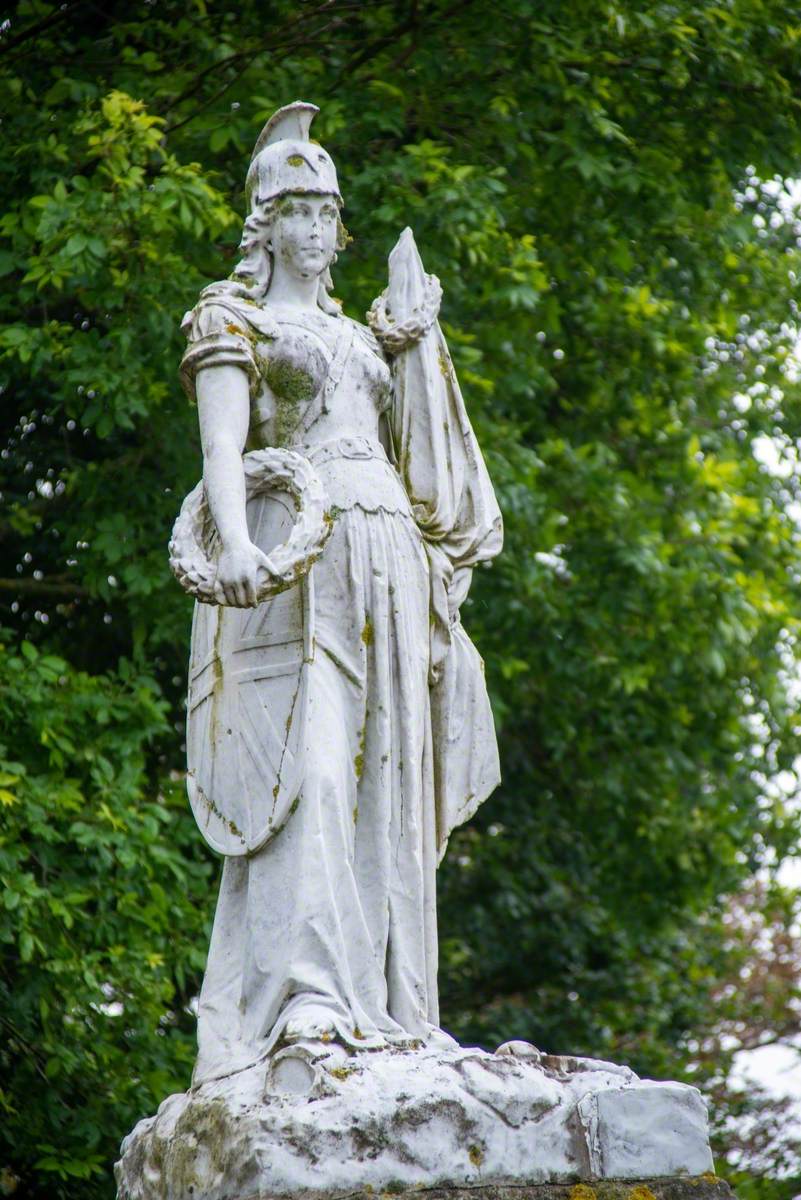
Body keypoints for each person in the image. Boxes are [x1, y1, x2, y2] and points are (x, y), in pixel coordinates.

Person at [176, 102, 503, 1085]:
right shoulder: (233, 316)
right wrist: (233, 545)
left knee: (385, 787)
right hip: (295, 570)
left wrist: (413, 345)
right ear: (264, 223)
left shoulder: (363, 334)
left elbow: (422, 458)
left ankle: (394, 1002)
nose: (318, 231)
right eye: (299, 211)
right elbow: (224, 449)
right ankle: (306, 997)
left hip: (391, 558)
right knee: (311, 771)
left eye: (329, 213)